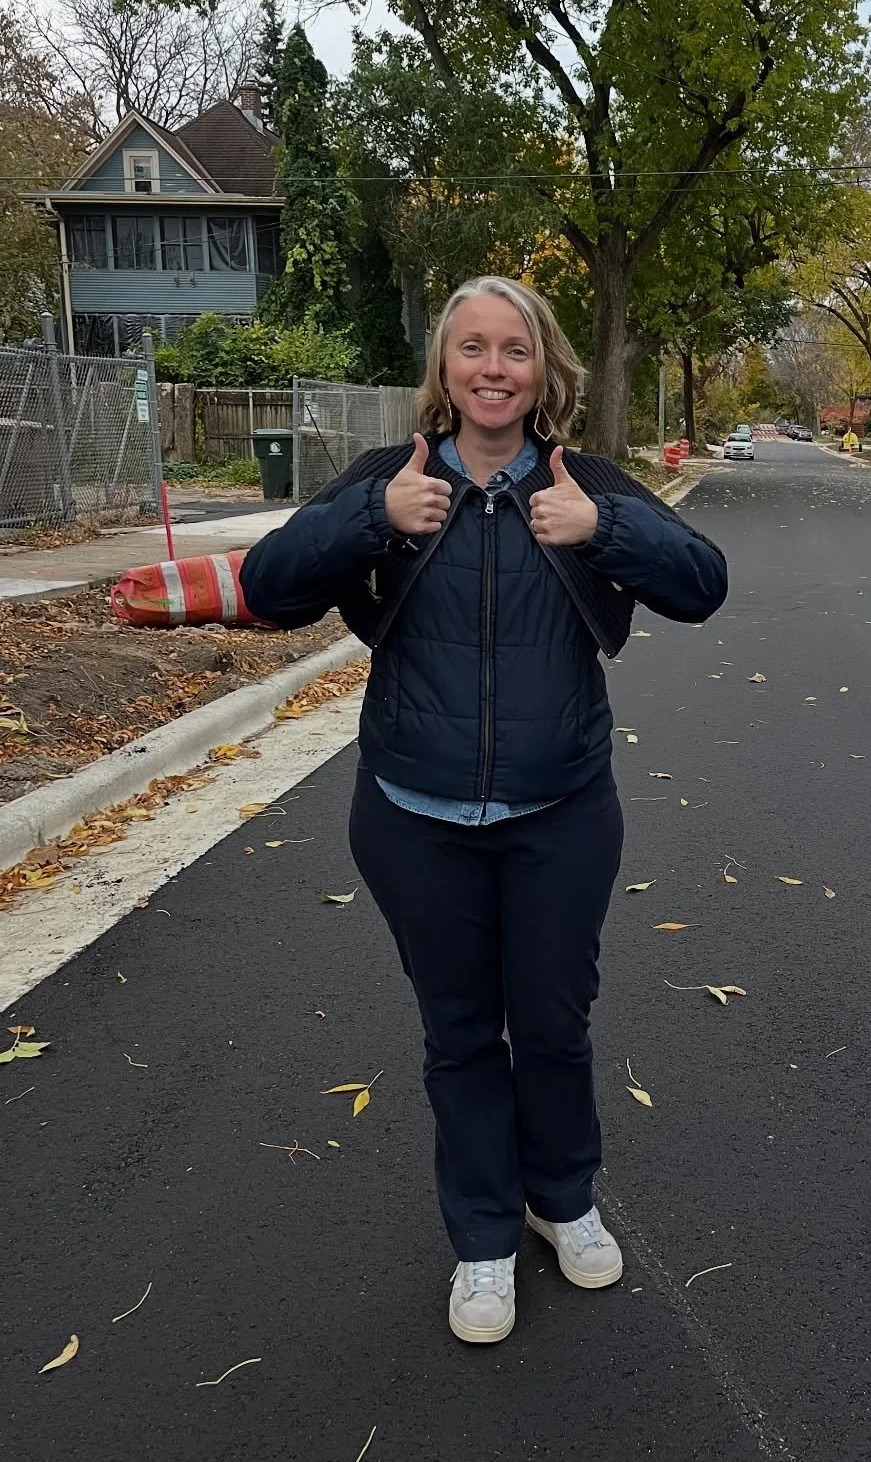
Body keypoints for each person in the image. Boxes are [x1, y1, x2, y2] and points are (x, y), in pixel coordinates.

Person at [240, 275, 728, 1344]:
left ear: (545, 368)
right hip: (413, 818)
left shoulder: (583, 483)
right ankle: (482, 1242)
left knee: (552, 1026)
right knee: (460, 1034)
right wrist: (373, 517)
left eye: (515, 348)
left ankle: (562, 1201)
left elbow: (702, 584)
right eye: (473, 348)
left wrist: (606, 531)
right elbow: (268, 586)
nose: (494, 367)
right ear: (446, 369)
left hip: (560, 815)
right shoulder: (394, 480)